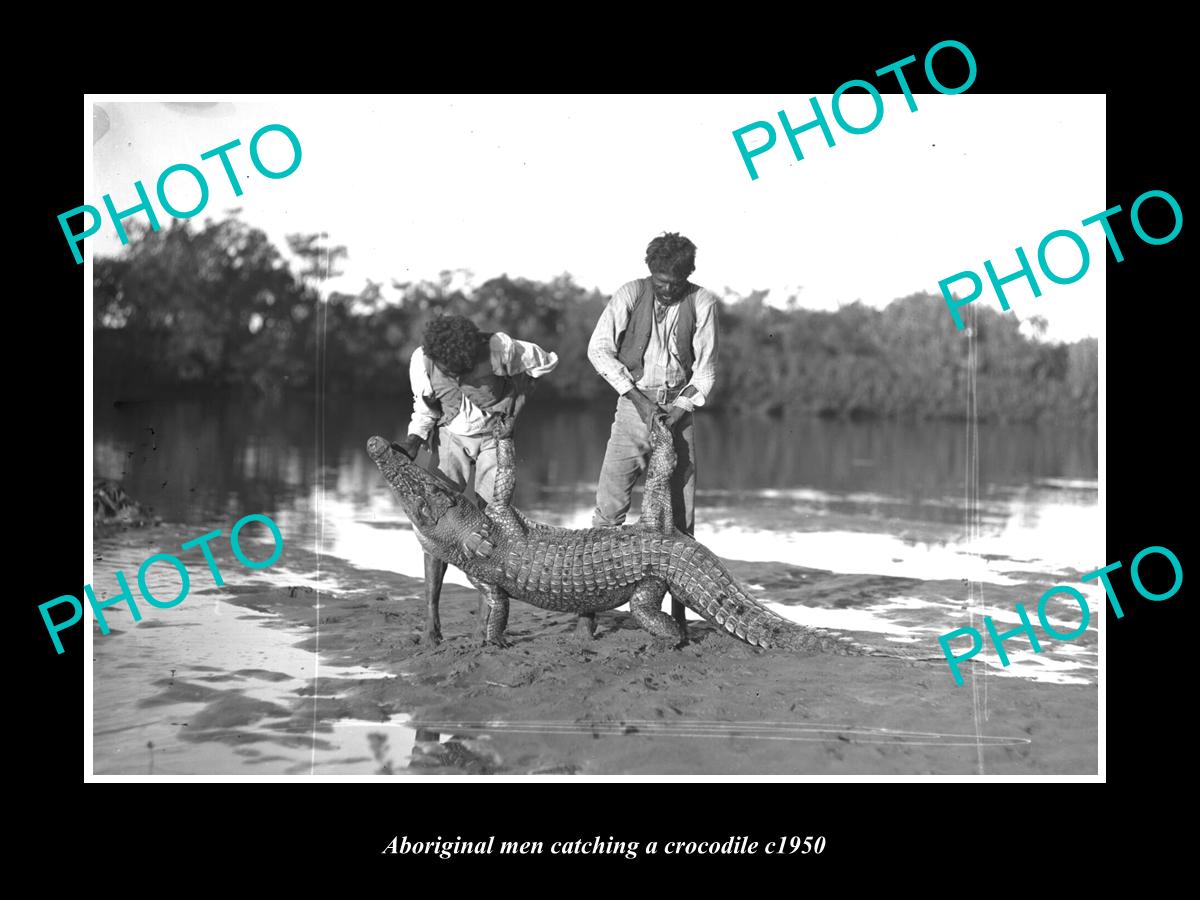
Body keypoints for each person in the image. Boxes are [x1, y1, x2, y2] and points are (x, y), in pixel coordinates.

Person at [582, 232, 720, 640]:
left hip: (680, 409)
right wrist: (640, 402)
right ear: (650, 274)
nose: (664, 290)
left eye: (673, 284)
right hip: (632, 405)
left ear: (687, 276)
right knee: (610, 508)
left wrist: (676, 413)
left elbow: (706, 369)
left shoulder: (703, 302)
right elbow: (599, 350)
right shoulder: (629, 293)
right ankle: (588, 613)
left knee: (680, 518)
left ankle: (678, 617)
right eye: (658, 282)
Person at [396, 313, 558, 644]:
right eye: (451, 372)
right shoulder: (422, 361)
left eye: (465, 369)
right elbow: (425, 411)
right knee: (435, 525)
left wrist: (518, 402)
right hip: (450, 437)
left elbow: (545, 364)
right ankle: (431, 620)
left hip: (494, 438)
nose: (459, 377)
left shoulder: (502, 348)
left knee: (492, 525)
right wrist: (412, 443)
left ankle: (487, 624)